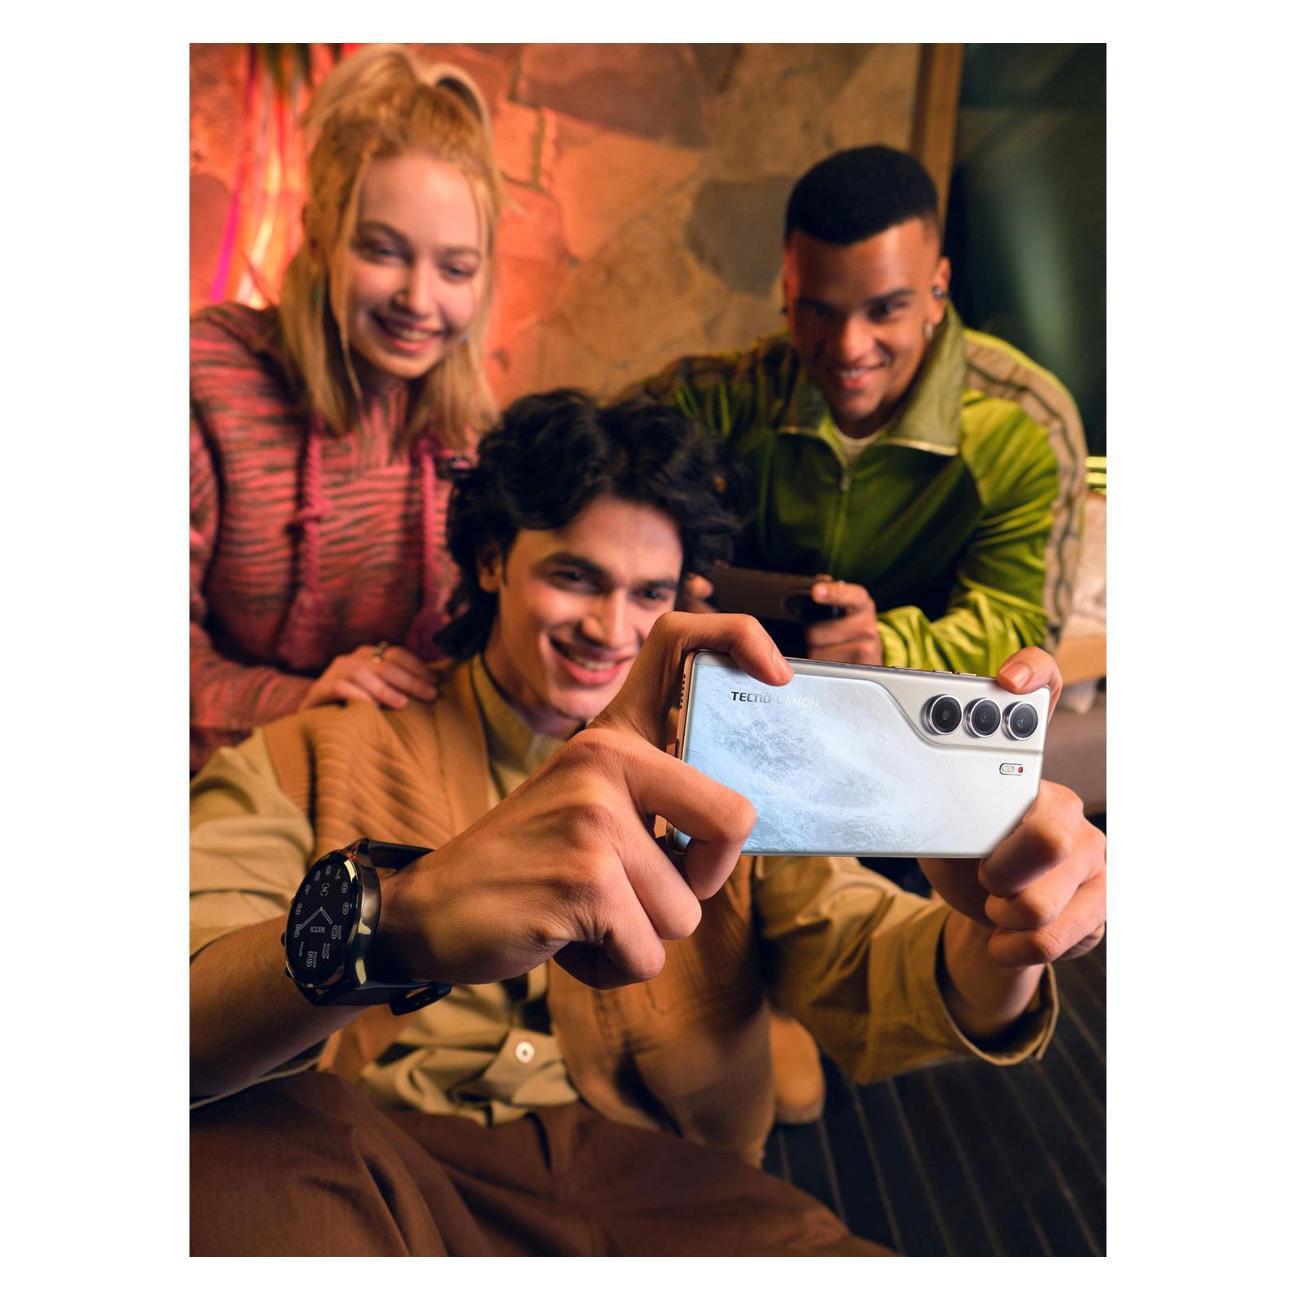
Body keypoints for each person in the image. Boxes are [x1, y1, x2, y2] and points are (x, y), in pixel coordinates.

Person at [190, 391, 1107, 1256]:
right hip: (397, 1170)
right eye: (575, 577)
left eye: (649, 593)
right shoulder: (324, 748)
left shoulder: (729, 769)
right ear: (491, 561)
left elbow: (868, 959)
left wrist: (1004, 933)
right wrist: (402, 920)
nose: (610, 626)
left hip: (674, 1191)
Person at [632, 144, 1088, 673]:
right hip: (735, 688)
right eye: (819, 311)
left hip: (913, 715)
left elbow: (1021, 632)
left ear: (937, 289)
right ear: (788, 291)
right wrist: (664, 592)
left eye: (885, 309)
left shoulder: (1026, 422)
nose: (849, 347)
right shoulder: (713, 396)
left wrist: (886, 649)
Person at [190, 44, 504, 771]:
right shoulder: (207, 381)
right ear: (322, 234)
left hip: (390, 779)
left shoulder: (473, 434)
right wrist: (298, 702)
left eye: (455, 268)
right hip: (228, 779)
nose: (419, 300)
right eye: (383, 251)